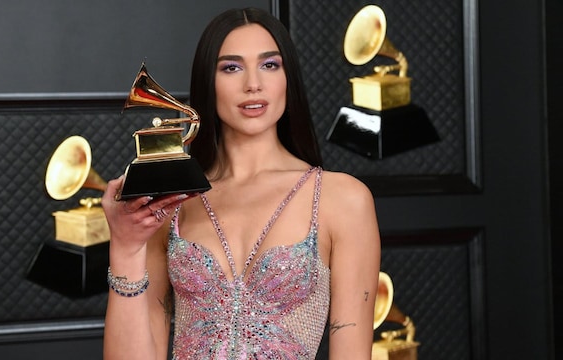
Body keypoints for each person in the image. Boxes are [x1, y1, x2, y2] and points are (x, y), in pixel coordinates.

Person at [102, 7, 381, 360]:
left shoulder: (342, 199)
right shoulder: (173, 202)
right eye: (231, 67)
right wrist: (125, 250)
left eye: (270, 65)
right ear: (209, 81)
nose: (253, 83)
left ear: (288, 78)